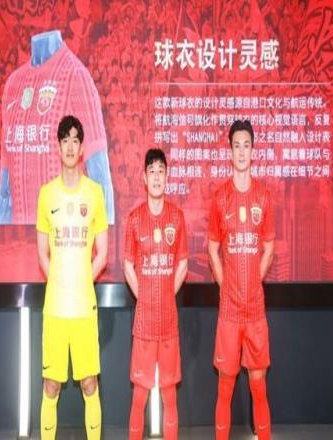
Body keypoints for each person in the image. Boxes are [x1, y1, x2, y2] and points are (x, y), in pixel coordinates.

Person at [0, 30, 114, 225]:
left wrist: (103, 238)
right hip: (19, 238)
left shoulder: (76, 76)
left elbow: (101, 180)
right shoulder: (14, 84)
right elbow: (4, 194)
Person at [36, 115, 108, 440]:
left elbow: (102, 253)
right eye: (65, 139)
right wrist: (60, 284)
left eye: (75, 140)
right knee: (51, 385)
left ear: (81, 148)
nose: (69, 146)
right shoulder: (46, 194)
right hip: (55, 309)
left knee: (89, 384)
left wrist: (80, 283)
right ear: (58, 146)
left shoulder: (94, 193)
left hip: (83, 310)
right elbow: (42, 254)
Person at [208, 120, 275, 440]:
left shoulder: (264, 196)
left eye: (247, 145)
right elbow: (212, 247)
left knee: (259, 386)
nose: (242, 151)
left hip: (255, 311)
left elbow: (269, 247)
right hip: (230, 312)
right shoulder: (220, 197)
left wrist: (254, 283)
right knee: (225, 387)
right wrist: (226, 285)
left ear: (253, 150)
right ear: (230, 151)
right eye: (237, 145)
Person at [124, 148, 188, 440]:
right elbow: (128, 265)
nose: (157, 177)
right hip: (144, 324)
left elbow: (183, 263)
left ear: (168, 176)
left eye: (161, 171)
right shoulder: (135, 219)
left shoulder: (177, 217)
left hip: (169, 322)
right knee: (140, 395)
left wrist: (165, 295)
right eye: (152, 172)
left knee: (169, 395)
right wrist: (146, 297)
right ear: (144, 178)